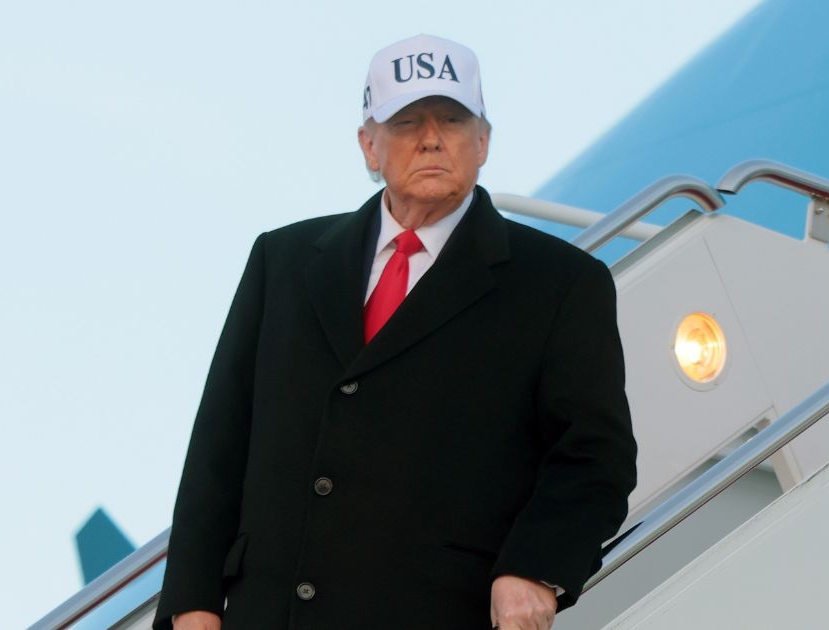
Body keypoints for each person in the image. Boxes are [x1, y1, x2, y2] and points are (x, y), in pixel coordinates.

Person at [155, 34, 636, 630]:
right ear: (369, 145)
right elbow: (219, 445)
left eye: (453, 120)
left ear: (483, 141)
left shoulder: (560, 282)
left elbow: (595, 456)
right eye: (407, 122)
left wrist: (535, 568)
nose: (431, 138)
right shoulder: (283, 261)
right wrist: (192, 601)